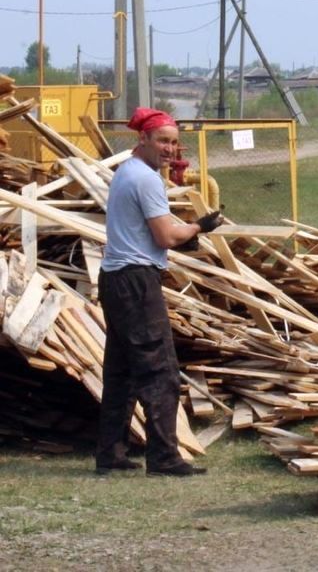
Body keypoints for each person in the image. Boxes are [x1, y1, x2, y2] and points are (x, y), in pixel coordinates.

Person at [96, 107, 222, 476]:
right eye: (163, 141)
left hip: (115, 278)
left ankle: (110, 455)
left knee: (121, 372)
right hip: (136, 281)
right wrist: (199, 227)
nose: (170, 149)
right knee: (159, 369)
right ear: (144, 140)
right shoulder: (147, 180)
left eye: (174, 143)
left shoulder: (126, 172)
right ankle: (164, 457)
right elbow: (165, 236)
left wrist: (186, 231)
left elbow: (152, 230)